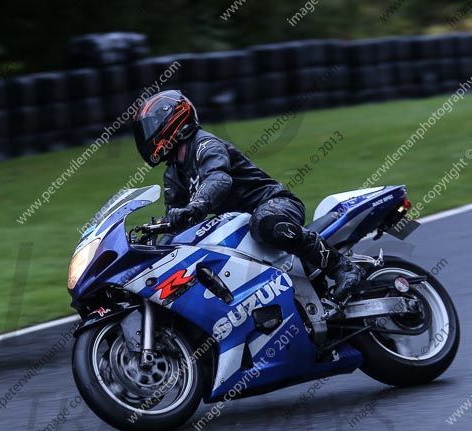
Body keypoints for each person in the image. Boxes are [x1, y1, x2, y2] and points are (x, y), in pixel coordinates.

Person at [131, 90, 362, 300]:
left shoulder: (205, 144)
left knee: (266, 223)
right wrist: (153, 251)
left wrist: (197, 206)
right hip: (242, 227)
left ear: (171, 119)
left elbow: (219, 178)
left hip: (277, 205)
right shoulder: (173, 174)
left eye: (150, 126)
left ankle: (341, 266)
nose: (145, 136)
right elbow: (175, 223)